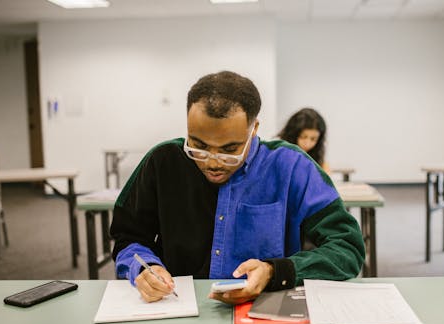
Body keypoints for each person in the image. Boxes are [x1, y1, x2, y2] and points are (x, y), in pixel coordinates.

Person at [110, 71, 365, 305]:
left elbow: (347, 247)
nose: (211, 162)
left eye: (229, 150)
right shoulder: (162, 161)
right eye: (197, 145)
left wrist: (277, 271)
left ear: (254, 129)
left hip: (266, 311)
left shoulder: (291, 166)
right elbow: (128, 237)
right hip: (178, 310)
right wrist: (145, 268)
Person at [278, 108, 330, 173]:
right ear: (293, 134)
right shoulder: (278, 156)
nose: (307, 144)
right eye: (303, 137)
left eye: (313, 139)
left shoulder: (322, 165)